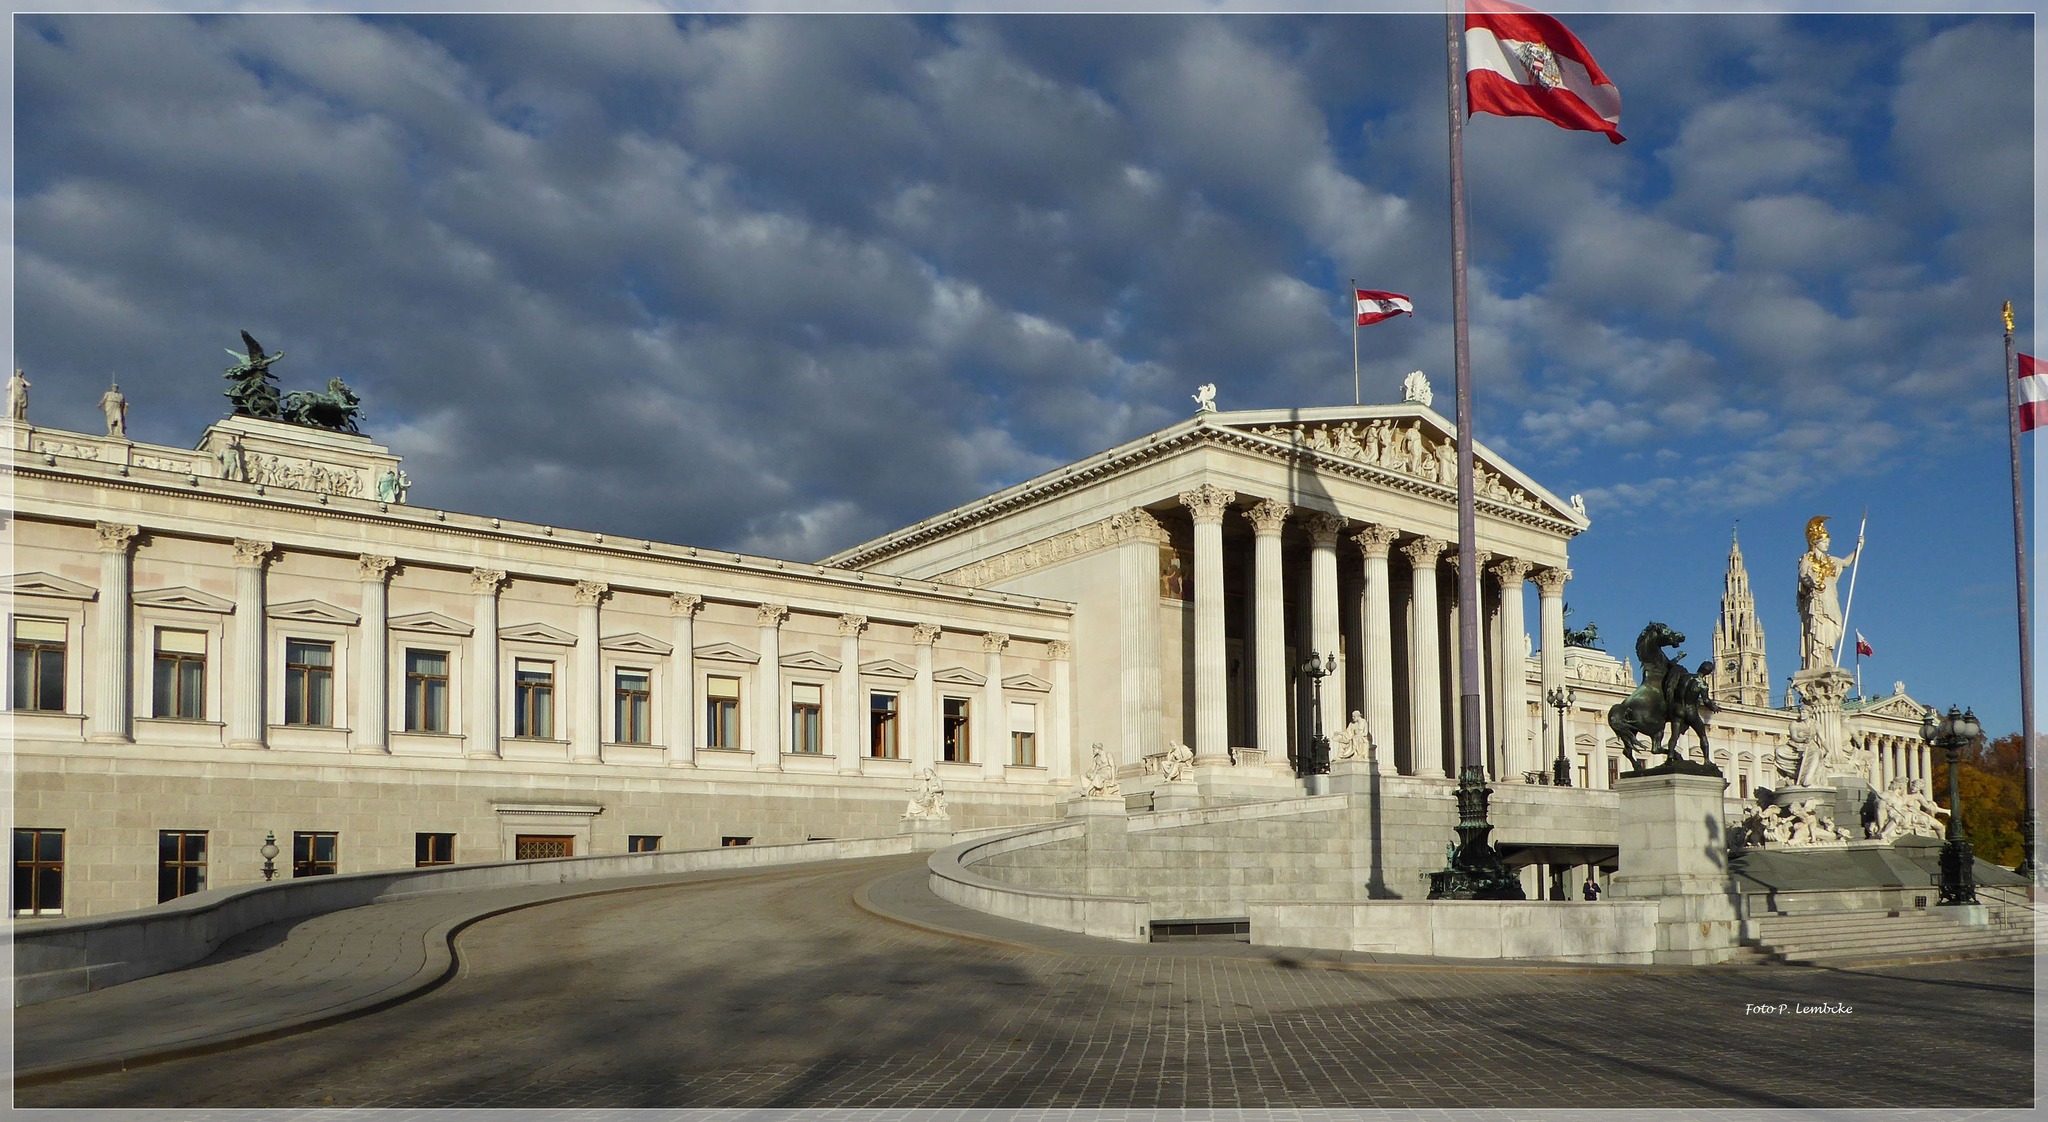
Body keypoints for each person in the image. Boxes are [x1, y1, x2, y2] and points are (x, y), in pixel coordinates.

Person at [1798, 516, 1861, 671]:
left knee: (1835, 627)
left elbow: (1846, 563)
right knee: (1820, 628)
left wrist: (1858, 548)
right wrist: (1814, 583)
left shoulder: (1830, 560)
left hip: (1831, 599)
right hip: (1817, 601)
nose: (1827, 544)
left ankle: (1827, 656)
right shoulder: (1807, 558)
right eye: (1824, 541)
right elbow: (1803, 575)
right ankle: (1819, 661)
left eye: (1828, 541)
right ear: (1815, 542)